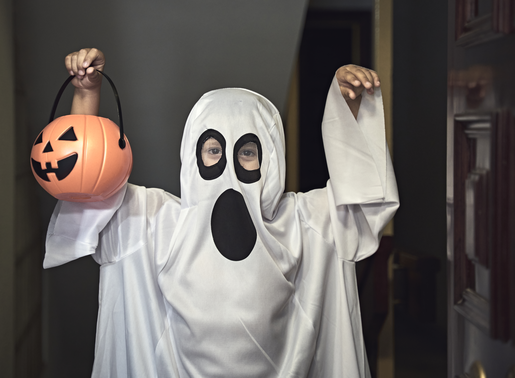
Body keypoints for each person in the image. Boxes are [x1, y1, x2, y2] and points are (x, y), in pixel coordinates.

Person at [44, 48, 399, 377]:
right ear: (192, 154)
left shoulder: (303, 224)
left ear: (271, 160)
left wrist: (348, 110)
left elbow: (362, 200)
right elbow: (85, 186)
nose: (229, 164)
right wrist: (86, 95)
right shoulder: (155, 222)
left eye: (247, 151)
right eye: (213, 149)